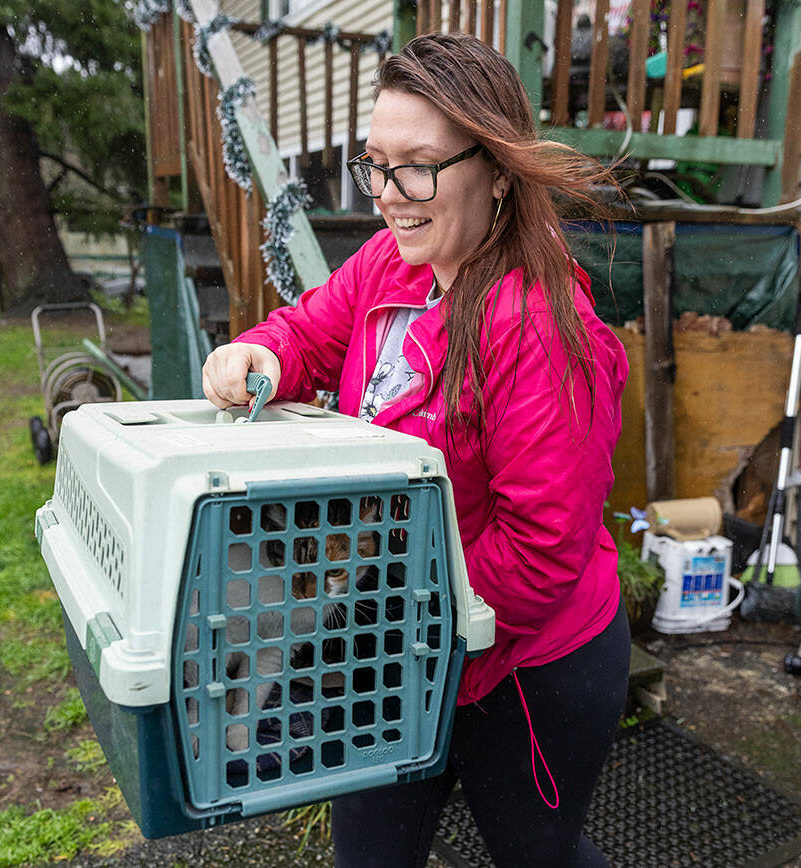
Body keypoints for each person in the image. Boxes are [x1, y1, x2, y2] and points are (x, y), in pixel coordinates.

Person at [201, 32, 630, 868]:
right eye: (374, 165)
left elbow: (541, 554)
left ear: (498, 171)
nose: (390, 197)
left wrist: (406, 629)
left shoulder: (540, 330)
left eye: (419, 166)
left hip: (529, 664)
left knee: (537, 856)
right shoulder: (392, 265)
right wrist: (262, 355)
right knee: (368, 854)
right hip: (410, 625)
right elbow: (311, 331)